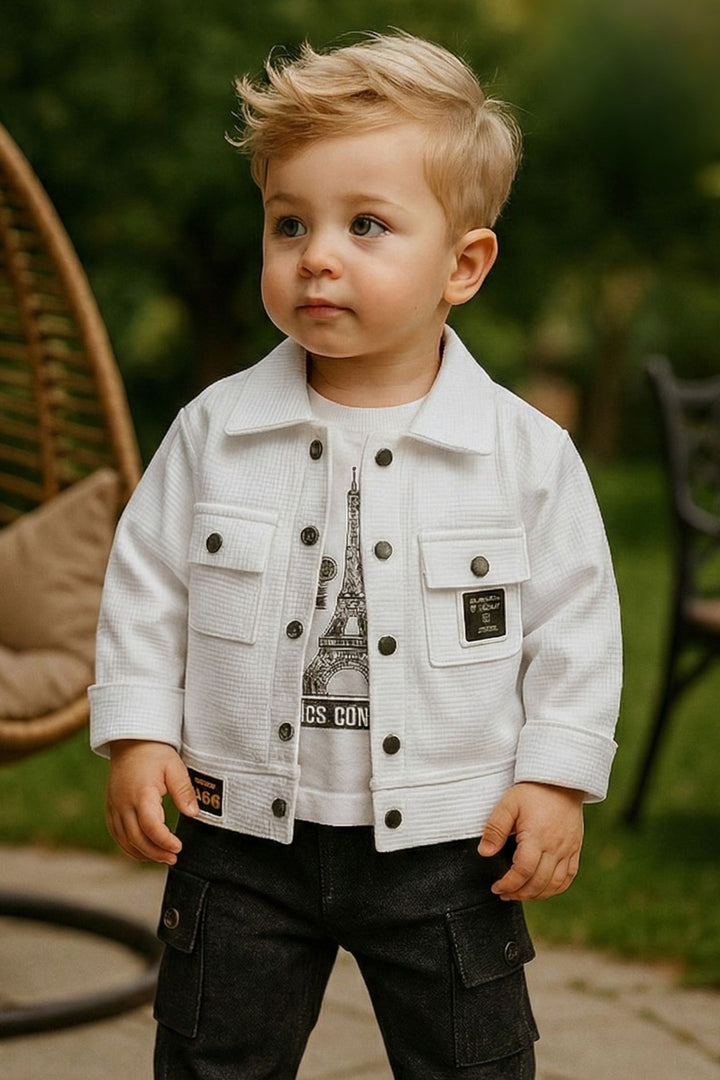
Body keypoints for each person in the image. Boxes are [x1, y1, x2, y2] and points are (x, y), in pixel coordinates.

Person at [90, 30, 622, 1080]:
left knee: (471, 1060)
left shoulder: (523, 455)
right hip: (238, 832)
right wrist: (139, 732)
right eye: (289, 223)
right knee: (210, 1055)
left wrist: (555, 781)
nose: (315, 255)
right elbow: (144, 587)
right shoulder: (215, 431)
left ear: (462, 265)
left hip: (448, 843)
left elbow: (576, 626)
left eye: (365, 225)